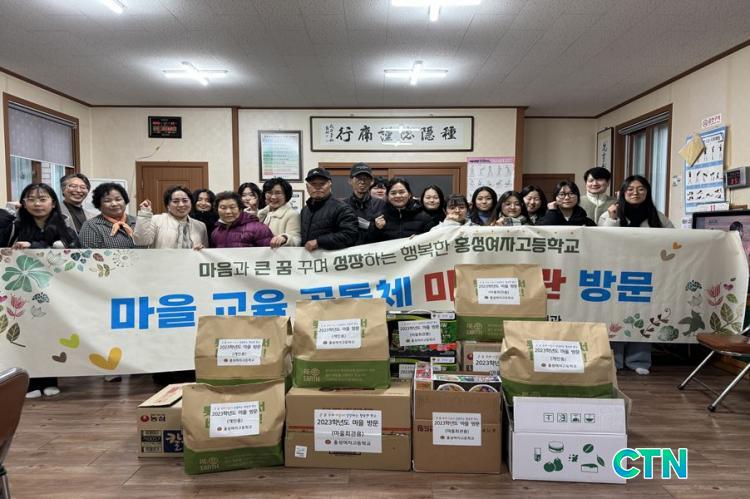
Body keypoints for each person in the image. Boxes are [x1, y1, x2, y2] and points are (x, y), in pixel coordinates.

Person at [7, 183, 80, 399]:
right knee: (26, 336)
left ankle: (50, 379)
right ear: (23, 203)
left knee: (51, 335)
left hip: (57, 292)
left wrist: (35, 247)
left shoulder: (64, 227)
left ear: (53, 203)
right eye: (31, 199)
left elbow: (77, 254)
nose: (37, 204)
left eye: (42, 199)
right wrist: (8, 213)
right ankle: (29, 382)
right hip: (21, 291)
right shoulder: (14, 226)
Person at [598, 175, 673, 376]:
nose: (635, 193)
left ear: (647, 192)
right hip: (616, 274)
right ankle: (613, 359)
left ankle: (639, 360)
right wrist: (612, 218)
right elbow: (601, 241)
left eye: (640, 189)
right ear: (622, 192)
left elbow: (674, 239)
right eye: (630, 189)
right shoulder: (609, 214)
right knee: (615, 316)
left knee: (643, 315)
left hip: (646, 274)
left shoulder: (658, 217)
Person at [300, 167, 358, 251]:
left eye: (322, 183)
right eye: (313, 184)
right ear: (307, 187)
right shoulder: (305, 210)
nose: (317, 187)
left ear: (330, 184)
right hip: (307, 258)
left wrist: (319, 242)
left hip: (331, 258)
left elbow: (349, 235)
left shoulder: (342, 208)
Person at [133, 186, 208, 249]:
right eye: (175, 201)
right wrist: (145, 214)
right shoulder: (156, 220)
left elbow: (205, 251)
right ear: (168, 206)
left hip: (191, 262)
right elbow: (141, 241)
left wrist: (201, 249)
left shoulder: (200, 226)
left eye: (185, 201)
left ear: (191, 203)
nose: (181, 204)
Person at [368, 177, 432, 242]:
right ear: (387, 196)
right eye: (393, 193)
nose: (398, 196)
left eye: (401, 192)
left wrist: (420, 238)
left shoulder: (424, 217)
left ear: (409, 194)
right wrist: (377, 229)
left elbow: (432, 240)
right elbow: (369, 243)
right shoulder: (378, 218)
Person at [79, 183, 140, 249]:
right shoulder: (91, 226)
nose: (114, 204)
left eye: (118, 199)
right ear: (99, 206)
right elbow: (89, 253)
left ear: (125, 201)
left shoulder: (137, 222)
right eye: (107, 201)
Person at [344, 163, 385, 245]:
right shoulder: (342, 205)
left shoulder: (381, 204)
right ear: (350, 181)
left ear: (372, 182)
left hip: (375, 250)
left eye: (366, 178)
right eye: (358, 178)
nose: (362, 182)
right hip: (350, 250)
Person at [257, 177, 301, 247]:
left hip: (280, 253)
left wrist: (285, 238)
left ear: (286, 195)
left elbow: (297, 239)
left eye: (278, 193)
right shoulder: (261, 214)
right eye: (269, 192)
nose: (273, 197)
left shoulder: (292, 214)